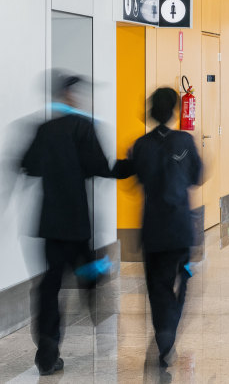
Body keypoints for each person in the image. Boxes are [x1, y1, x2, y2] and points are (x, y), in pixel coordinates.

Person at [19, 74, 115, 376]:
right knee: (88, 271)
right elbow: (101, 166)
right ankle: (102, 324)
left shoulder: (43, 129)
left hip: (49, 223)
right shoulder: (84, 128)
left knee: (51, 284)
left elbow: (28, 165)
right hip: (76, 222)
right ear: (69, 96)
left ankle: (47, 348)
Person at [111, 87, 203, 368]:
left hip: (153, 229)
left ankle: (164, 334)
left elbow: (130, 178)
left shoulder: (140, 145)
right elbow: (197, 175)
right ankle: (168, 330)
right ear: (174, 110)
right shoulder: (185, 141)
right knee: (183, 277)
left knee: (156, 286)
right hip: (181, 228)